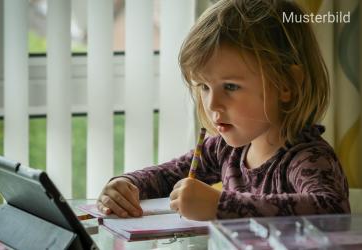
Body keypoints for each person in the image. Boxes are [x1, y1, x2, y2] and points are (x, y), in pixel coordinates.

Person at [97, 0, 350, 221]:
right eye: (204, 87)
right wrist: (126, 186)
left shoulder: (307, 158)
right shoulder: (224, 149)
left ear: (287, 85)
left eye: (230, 86)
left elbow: (332, 210)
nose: (212, 104)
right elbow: (164, 176)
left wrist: (221, 206)